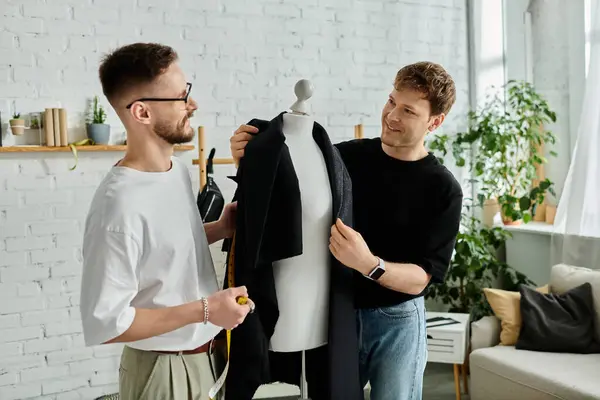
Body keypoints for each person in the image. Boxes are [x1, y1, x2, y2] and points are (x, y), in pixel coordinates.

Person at [229, 61, 463, 400]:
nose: (392, 115)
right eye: (391, 101)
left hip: (397, 321)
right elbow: (288, 196)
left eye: (408, 111)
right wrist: (247, 161)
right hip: (338, 311)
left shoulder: (444, 188)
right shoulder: (344, 157)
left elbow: (422, 276)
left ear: (435, 122)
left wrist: (369, 263)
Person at [79, 42, 254, 400]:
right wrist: (207, 310)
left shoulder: (174, 171)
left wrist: (218, 229)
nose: (192, 104)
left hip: (205, 360)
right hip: (164, 373)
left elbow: (157, 253)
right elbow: (107, 322)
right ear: (141, 113)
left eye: (187, 91)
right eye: (179, 97)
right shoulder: (119, 205)